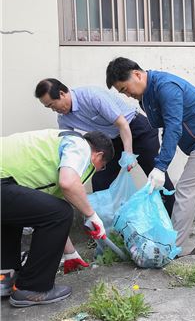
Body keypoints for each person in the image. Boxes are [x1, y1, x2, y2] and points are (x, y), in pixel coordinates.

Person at [105, 57, 195, 258]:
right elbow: (164, 127)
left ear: (137, 74)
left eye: (125, 89)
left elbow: (173, 127)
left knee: (185, 193)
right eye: (122, 92)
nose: (126, 95)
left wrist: (161, 166)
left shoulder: (166, 87)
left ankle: (170, 250)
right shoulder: (145, 97)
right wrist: (160, 162)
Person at [0, 129, 113, 307]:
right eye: (102, 165)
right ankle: (33, 288)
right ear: (98, 155)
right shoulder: (79, 145)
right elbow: (68, 184)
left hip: (4, 183)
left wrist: (70, 253)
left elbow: (49, 217)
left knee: (20, 211)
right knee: (62, 211)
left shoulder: (54, 146)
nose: (98, 170)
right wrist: (91, 215)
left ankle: (4, 277)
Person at [34, 78, 176, 216]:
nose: (54, 110)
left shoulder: (91, 96)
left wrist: (128, 153)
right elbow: (70, 143)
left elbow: (122, 124)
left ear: (62, 94)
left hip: (136, 129)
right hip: (112, 139)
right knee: (100, 179)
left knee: (156, 176)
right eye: (49, 107)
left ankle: (174, 222)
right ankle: (104, 230)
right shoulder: (64, 118)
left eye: (52, 105)